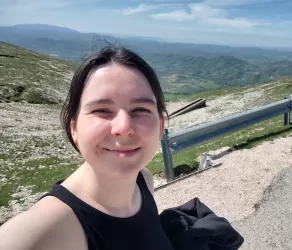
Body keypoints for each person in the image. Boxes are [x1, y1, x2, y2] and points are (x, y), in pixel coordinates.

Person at [0, 45, 174, 250]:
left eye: (140, 109)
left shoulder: (144, 180)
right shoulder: (45, 230)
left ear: (161, 126)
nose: (123, 127)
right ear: (74, 128)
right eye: (102, 110)